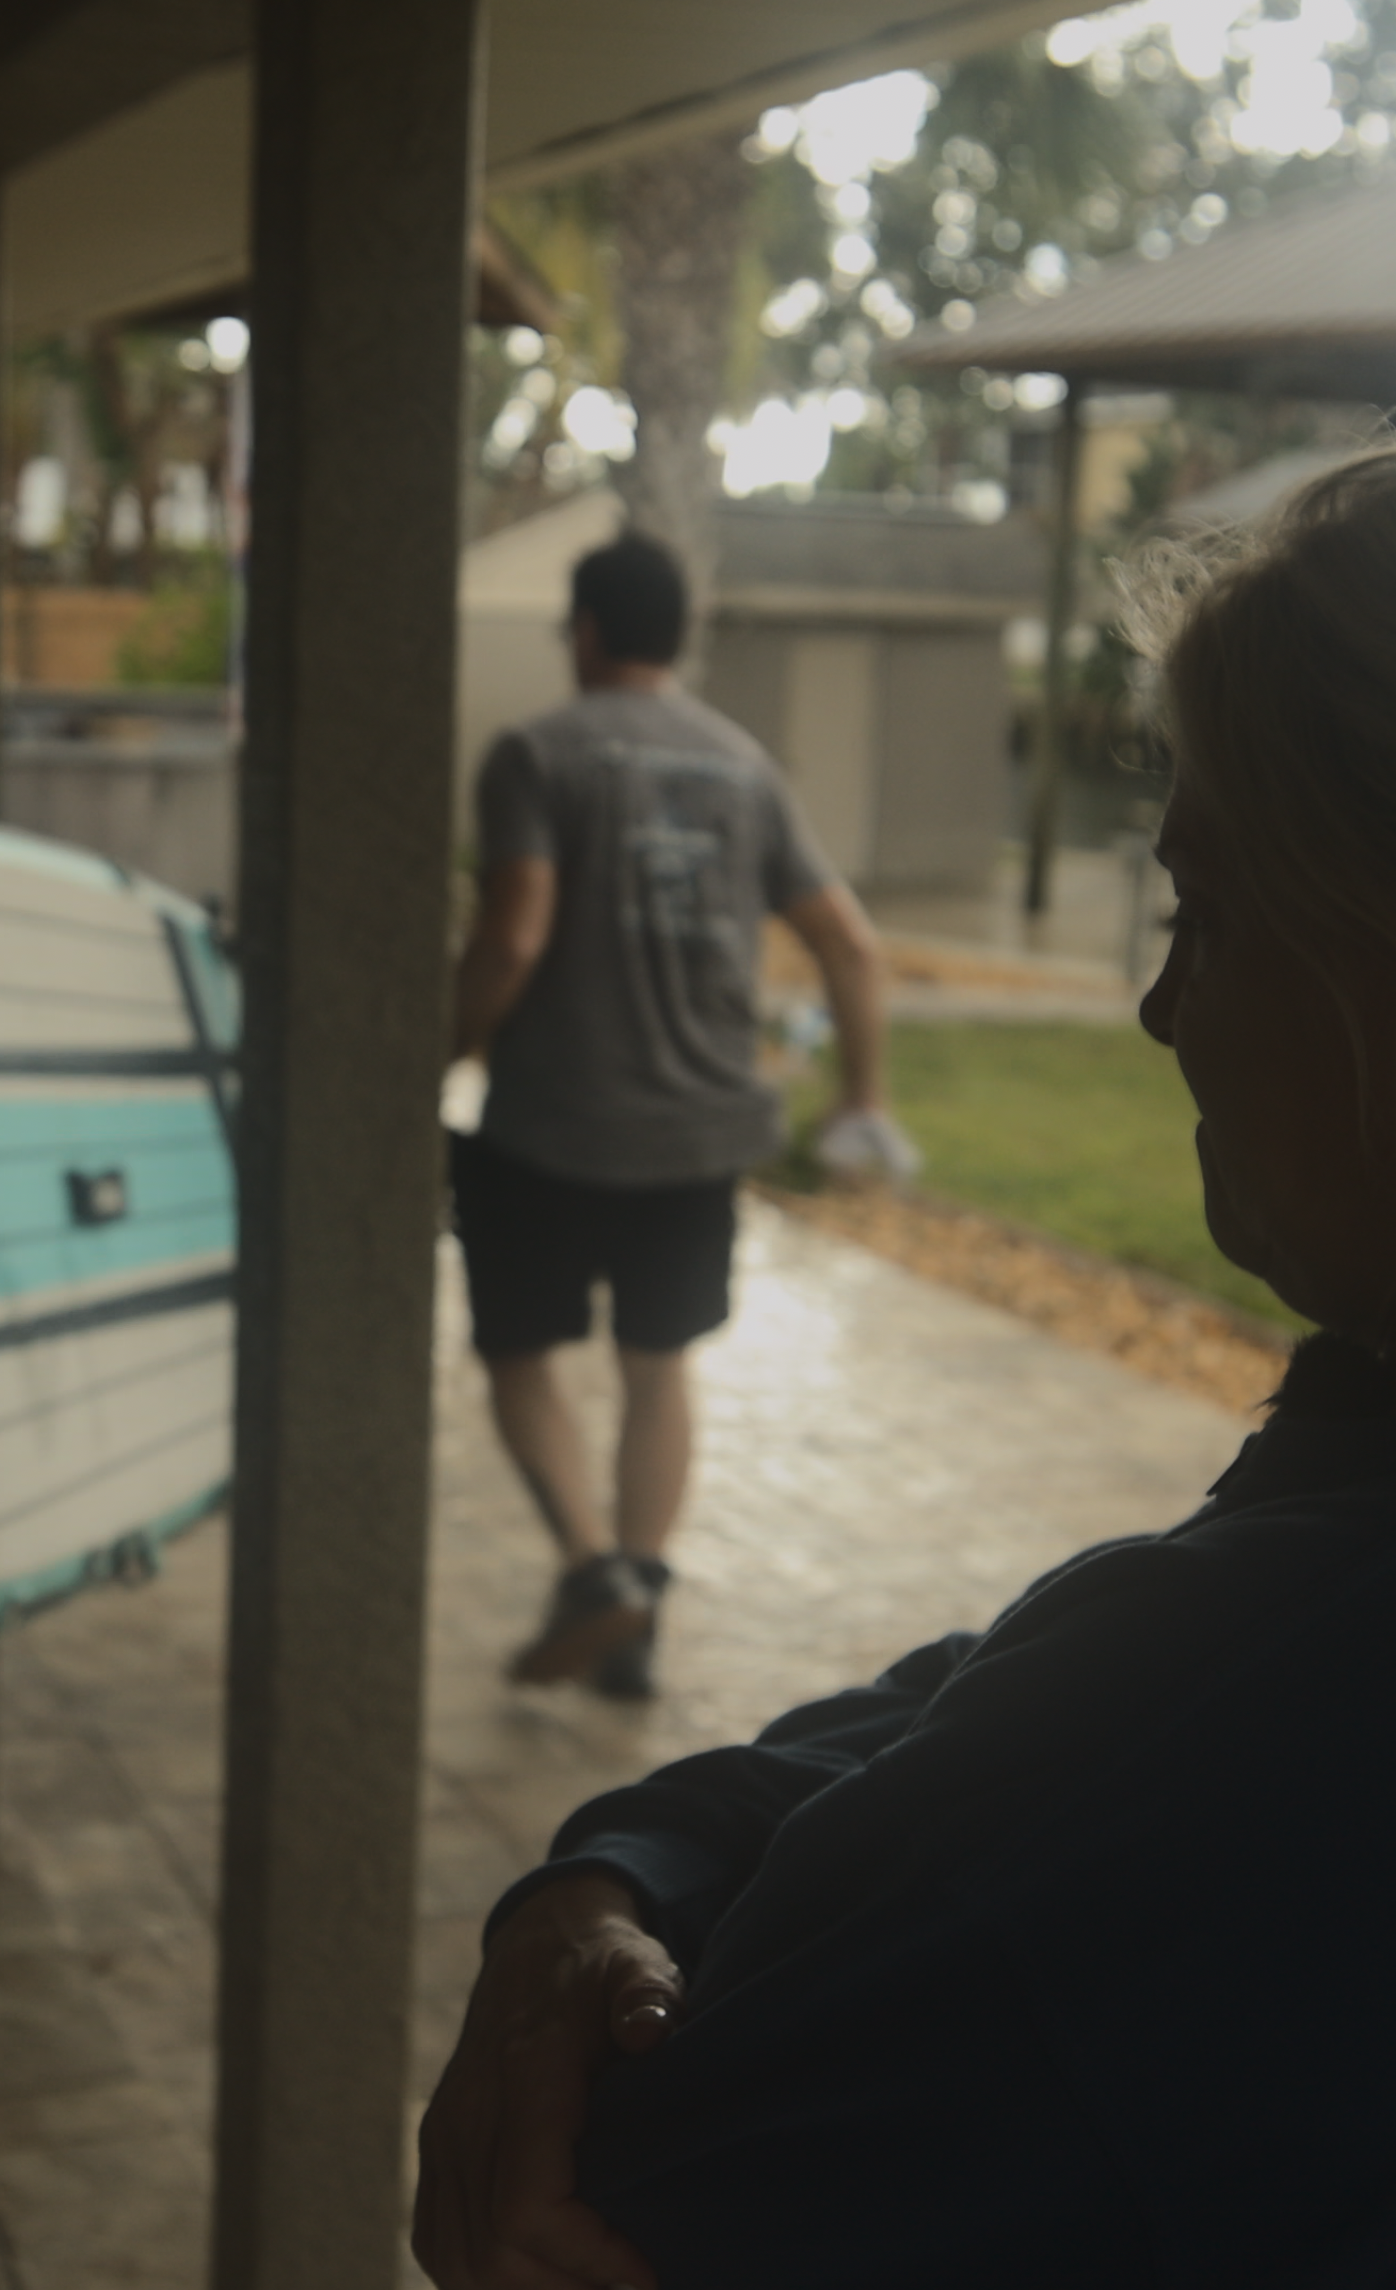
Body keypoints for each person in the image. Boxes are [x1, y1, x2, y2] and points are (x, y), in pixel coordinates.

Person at [415, 380, 1396, 2288]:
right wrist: (625, 1860)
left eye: (1208, 906)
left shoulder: (1345, 1688)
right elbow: (1025, 1692)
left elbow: (569, 2200)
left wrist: (586, 1919)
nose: (1162, 1013)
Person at [449, 531, 906, 1700]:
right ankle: (641, 1594)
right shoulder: (741, 765)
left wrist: (438, 1049)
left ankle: (595, 1570)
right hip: (703, 1131)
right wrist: (861, 1097)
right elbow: (849, 944)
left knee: (519, 1354)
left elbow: (512, 933)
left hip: (552, 1125)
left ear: (589, 631)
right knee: (661, 1365)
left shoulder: (533, 754)